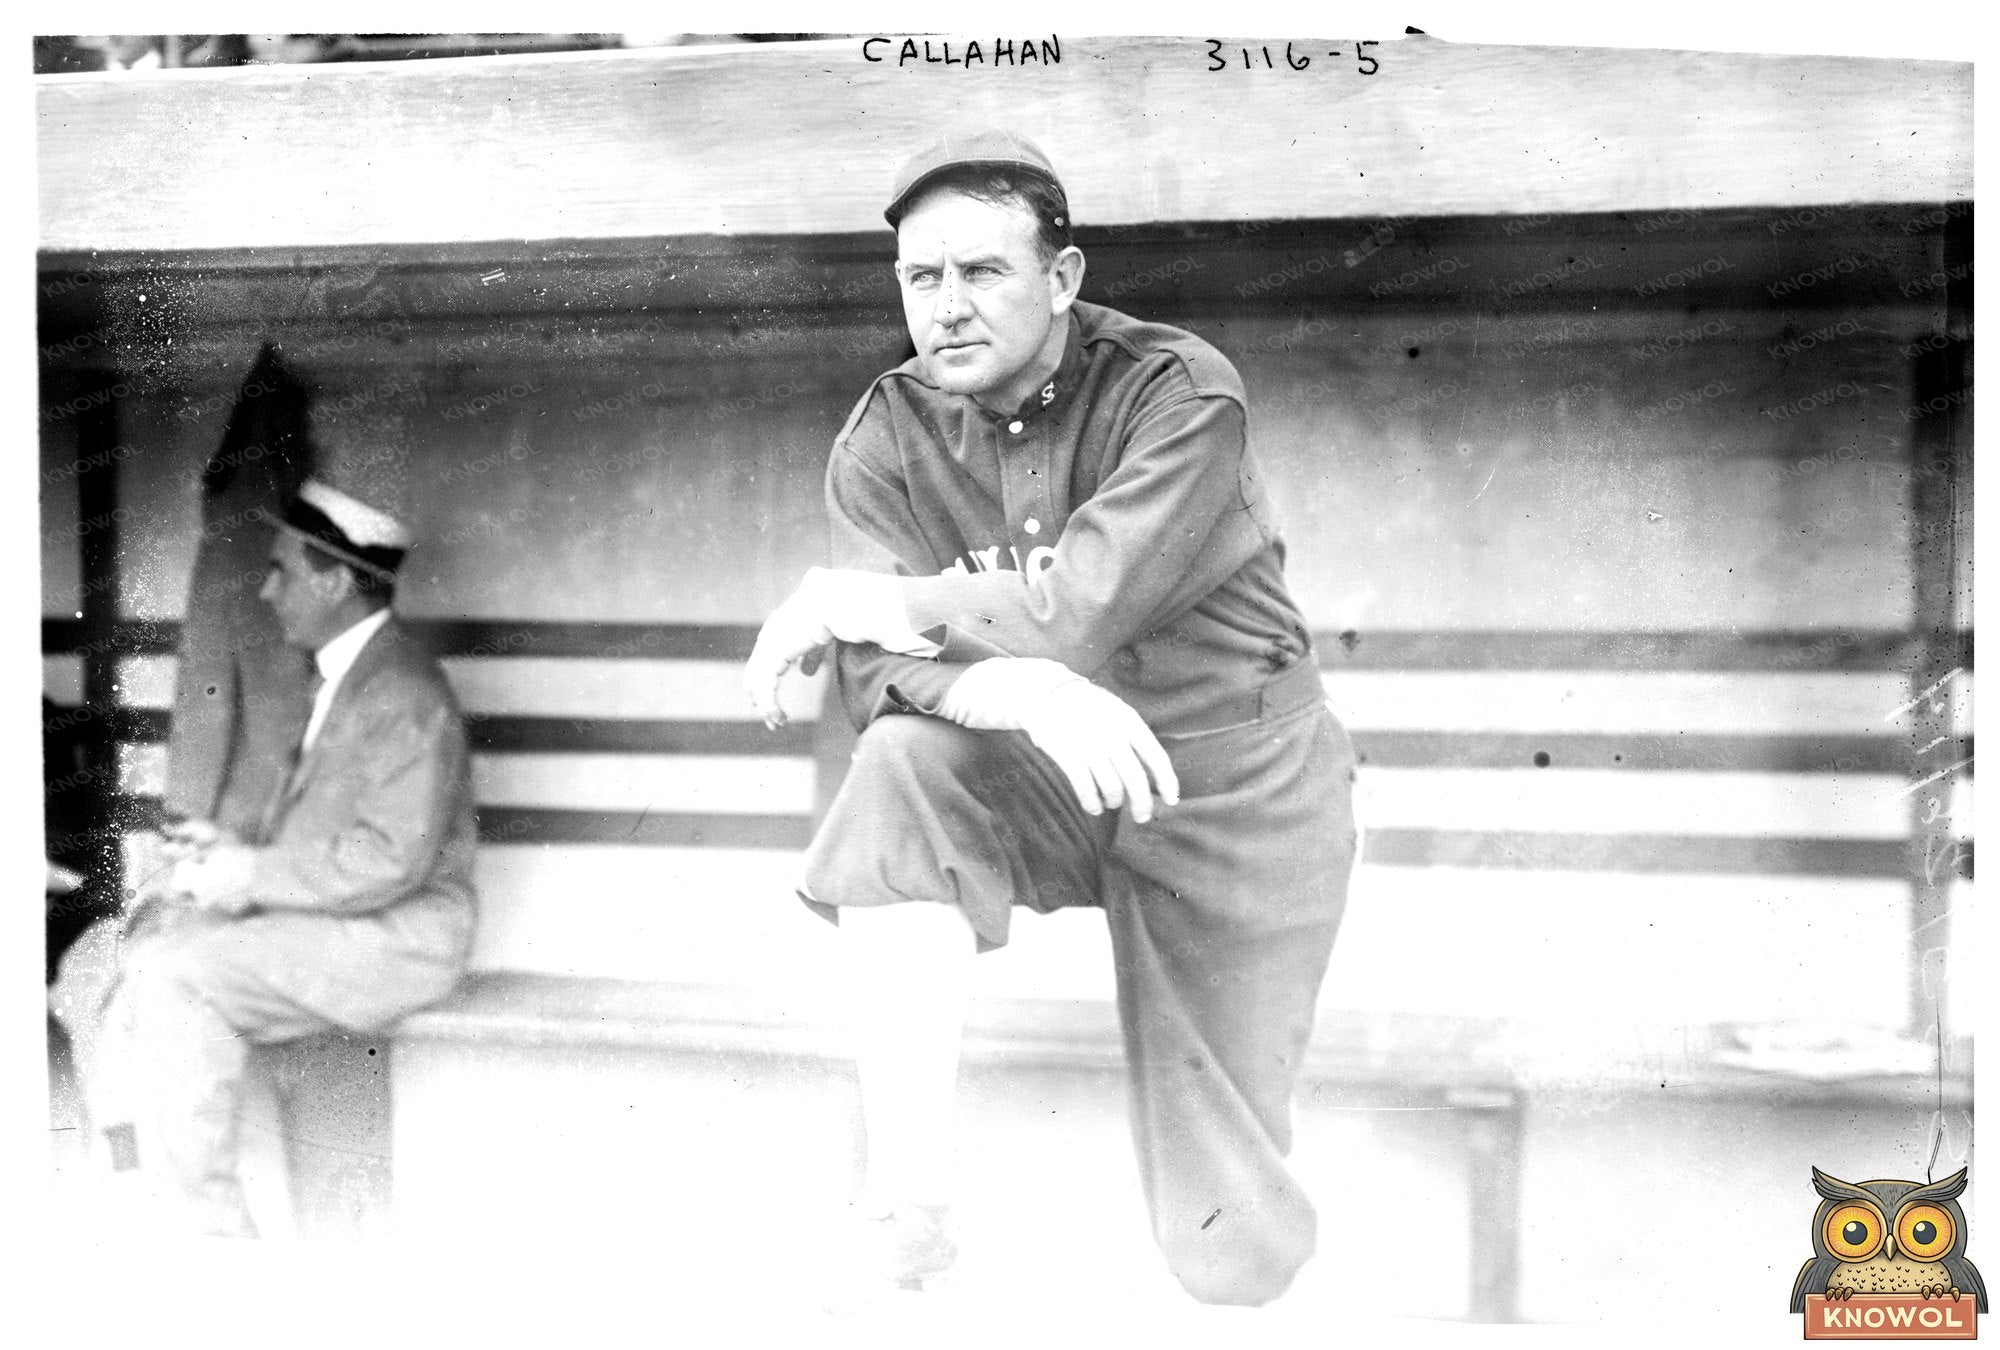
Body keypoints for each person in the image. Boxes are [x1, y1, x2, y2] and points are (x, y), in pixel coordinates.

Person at [745, 128, 1359, 1306]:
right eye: (921, 278)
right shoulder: (887, 429)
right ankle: (908, 1201)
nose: (947, 307)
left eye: (983, 271)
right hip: (1050, 768)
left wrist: (889, 607)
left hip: (1234, 783)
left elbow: (1076, 608)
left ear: (1062, 277)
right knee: (902, 763)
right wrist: (1005, 687)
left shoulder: (1177, 390)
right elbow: (870, 676)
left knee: (1225, 1231)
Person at [50, 478, 478, 1236]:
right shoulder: (346, 677)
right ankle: (151, 1188)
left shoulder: (404, 691)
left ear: (335, 581)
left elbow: (391, 860)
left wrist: (249, 874)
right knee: (130, 950)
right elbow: (332, 835)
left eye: (282, 570)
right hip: (346, 923)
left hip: (401, 939)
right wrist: (230, 850)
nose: (266, 590)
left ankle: (211, 1234)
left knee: (175, 977)